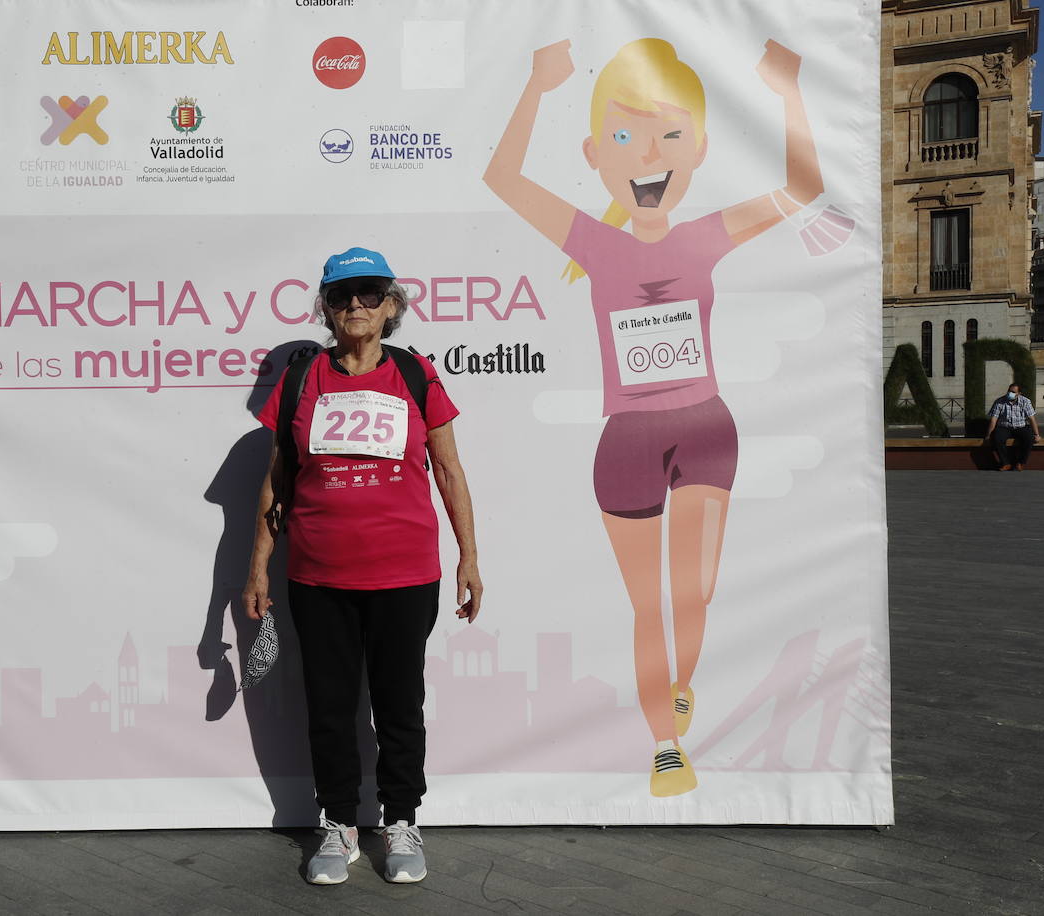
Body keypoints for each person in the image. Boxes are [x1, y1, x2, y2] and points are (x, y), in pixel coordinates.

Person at [484, 37, 824, 796]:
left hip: (705, 428)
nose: (648, 155)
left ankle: (681, 681)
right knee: (648, 606)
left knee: (694, 590)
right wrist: (537, 86)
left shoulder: (707, 237)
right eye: (624, 137)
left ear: (698, 150)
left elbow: (801, 186)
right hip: (628, 441)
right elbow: (502, 177)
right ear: (595, 153)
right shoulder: (594, 245)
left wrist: (787, 90)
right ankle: (666, 744)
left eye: (670, 136)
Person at [242, 246, 482, 885]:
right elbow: (275, 483)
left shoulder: (416, 375)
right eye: (342, 295)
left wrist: (470, 558)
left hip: (406, 575)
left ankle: (402, 820)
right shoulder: (300, 379)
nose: (355, 305)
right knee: (328, 705)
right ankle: (339, 825)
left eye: (370, 294)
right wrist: (257, 568)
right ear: (325, 305)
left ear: (392, 306)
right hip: (318, 576)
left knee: (400, 703)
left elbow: (450, 472)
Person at [985, 383, 1039, 470]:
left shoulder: (1025, 402)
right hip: (1004, 427)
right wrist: (988, 435)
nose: (1010, 393)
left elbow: (1031, 419)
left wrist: (1037, 435)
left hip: (1020, 427)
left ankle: (1020, 462)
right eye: (1009, 391)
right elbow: (993, 420)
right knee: (997, 438)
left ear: (1019, 393)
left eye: (1013, 392)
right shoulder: (999, 402)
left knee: (1029, 438)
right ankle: (1005, 463)